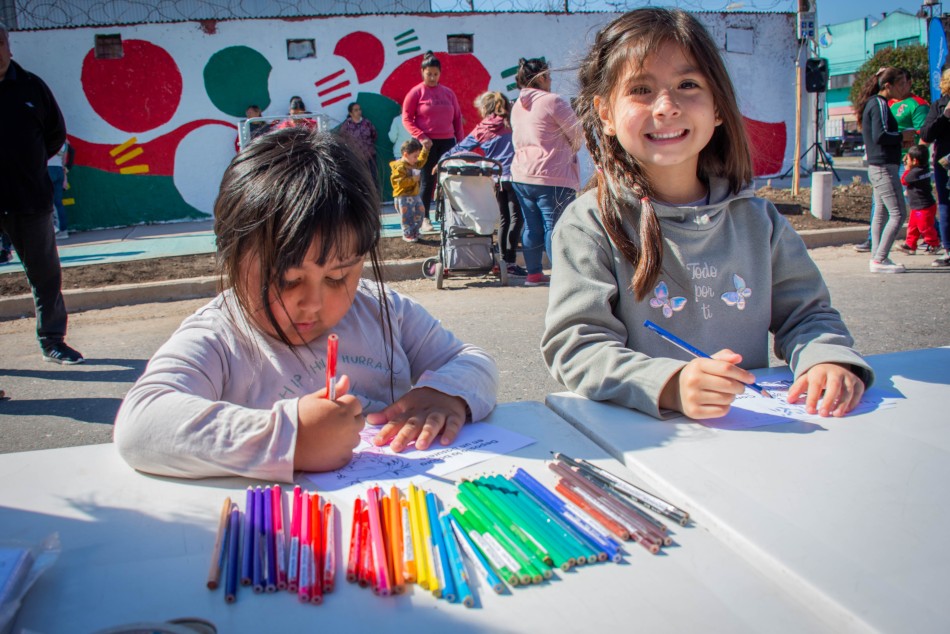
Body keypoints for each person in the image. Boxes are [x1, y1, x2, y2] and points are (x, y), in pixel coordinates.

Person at [541, 8, 872, 421]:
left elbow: (807, 315)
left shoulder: (757, 220)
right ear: (606, 113)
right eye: (641, 89)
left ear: (718, 106)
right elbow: (577, 344)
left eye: (688, 84)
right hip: (643, 443)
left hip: (749, 431)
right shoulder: (588, 224)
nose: (666, 106)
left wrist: (827, 359)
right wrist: (670, 385)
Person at [114, 129, 497, 481]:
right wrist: (288, 439)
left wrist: (446, 393)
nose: (314, 303)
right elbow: (142, 423)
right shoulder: (220, 335)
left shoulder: (383, 311)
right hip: (279, 535)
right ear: (231, 257)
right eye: (287, 280)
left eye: (338, 277)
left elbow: (473, 361)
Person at [0, 22, 84, 365]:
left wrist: (28, 166)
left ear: (8, 45)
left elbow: (55, 135)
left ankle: (52, 339)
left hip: (29, 199)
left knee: (45, 275)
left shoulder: (32, 87)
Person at [510, 57, 584, 287]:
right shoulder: (553, 101)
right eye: (549, 76)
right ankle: (562, 277)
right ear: (541, 78)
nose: (551, 80)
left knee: (532, 226)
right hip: (552, 174)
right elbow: (577, 133)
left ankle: (533, 274)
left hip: (522, 174)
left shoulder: (517, 105)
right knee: (556, 227)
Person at [446, 91, 527, 277]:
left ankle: (501, 260)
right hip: (515, 175)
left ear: (485, 108)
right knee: (516, 218)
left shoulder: (483, 127)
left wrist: (441, 161)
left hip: (495, 177)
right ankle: (510, 261)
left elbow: (461, 147)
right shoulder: (512, 123)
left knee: (504, 220)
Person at [854, 68, 928, 253]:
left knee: (881, 211)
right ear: (888, 85)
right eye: (901, 83)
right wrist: (902, 135)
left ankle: (877, 255)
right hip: (883, 165)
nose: (904, 88)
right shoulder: (879, 104)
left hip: (882, 164)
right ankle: (880, 256)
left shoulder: (880, 103)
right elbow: (881, 135)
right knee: (898, 213)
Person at [401, 51, 464, 232]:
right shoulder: (416, 93)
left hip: (448, 142)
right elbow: (406, 119)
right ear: (422, 72)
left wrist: (460, 145)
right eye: (429, 74)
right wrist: (421, 137)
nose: (432, 77)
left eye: (436, 74)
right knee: (427, 181)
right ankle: (424, 218)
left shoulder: (448, 93)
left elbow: (457, 119)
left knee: (450, 179)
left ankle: (454, 217)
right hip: (426, 145)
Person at [919, 68, 950, 267]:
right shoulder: (939, 106)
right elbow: (926, 134)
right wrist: (945, 116)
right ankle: (948, 249)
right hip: (945, 162)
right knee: (946, 204)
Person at [897, 145, 941, 255]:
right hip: (921, 206)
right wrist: (909, 163)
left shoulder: (914, 173)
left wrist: (907, 169)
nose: (906, 161)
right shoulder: (924, 168)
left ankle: (934, 244)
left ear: (915, 161)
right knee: (913, 227)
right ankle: (910, 245)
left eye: (908, 159)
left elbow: (903, 181)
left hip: (923, 207)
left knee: (924, 228)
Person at [389, 138, 428, 242]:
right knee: (407, 216)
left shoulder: (413, 163)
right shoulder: (400, 166)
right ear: (406, 155)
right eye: (414, 156)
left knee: (420, 211)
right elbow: (398, 182)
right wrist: (412, 179)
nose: (416, 159)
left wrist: (425, 149)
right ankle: (408, 233)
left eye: (417, 156)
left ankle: (415, 231)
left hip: (414, 194)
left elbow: (421, 161)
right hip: (403, 196)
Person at [339, 101, 380, 194]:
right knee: (359, 179)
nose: (359, 112)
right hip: (356, 157)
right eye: (356, 110)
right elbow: (342, 139)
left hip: (369, 156)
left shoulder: (367, 123)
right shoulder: (347, 125)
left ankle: (375, 200)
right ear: (350, 113)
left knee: (373, 179)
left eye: (359, 109)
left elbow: (374, 135)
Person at [48, 140, 70, 239]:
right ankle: (63, 230)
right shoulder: (64, 143)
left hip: (48, 169)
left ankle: (55, 229)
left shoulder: (45, 140)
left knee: (47, 202)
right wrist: (65, 177)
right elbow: (63, 162)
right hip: (59, 170)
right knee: (58, 202)